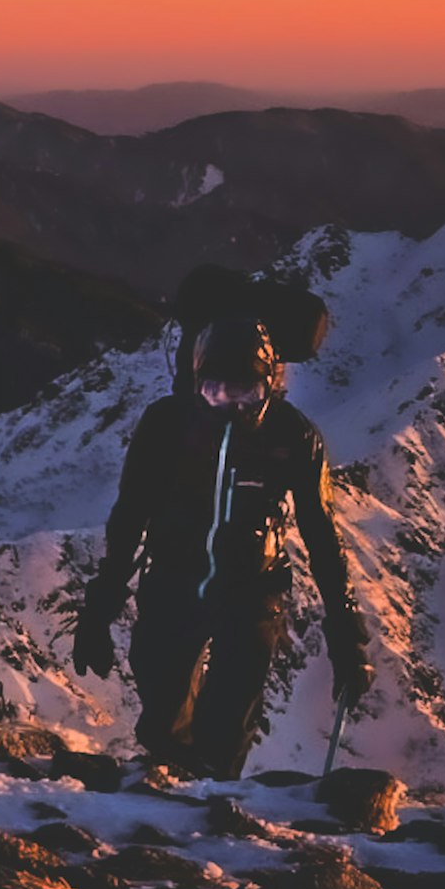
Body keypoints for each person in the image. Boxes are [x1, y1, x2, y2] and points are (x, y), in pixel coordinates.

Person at [70, 302, 372, 776]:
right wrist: (99, 607)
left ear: (269, 384)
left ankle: (204, 814)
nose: (231, 403)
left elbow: (321, 534)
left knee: (227, 731)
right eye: (216, 390)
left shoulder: (293, 436)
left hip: (253, 592)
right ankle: (177, 801)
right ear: (196, 384)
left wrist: (346, 634)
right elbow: (129, 516)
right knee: (163, 722)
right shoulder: (166, 426)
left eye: (246, 390)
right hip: (173, 579)